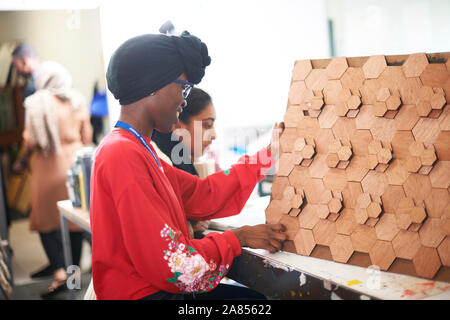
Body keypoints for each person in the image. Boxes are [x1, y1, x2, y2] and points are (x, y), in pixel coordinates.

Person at [90, 31, 287, 300]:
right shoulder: (122, 154)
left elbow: (202, 194)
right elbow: (177, 267)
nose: (184, 100)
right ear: (153, 85)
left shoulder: (137, 148)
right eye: (182, 87)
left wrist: (269, 154)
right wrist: (238, 238)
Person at [12, 61, 93, 297]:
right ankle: (74, 279)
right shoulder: (77, 99)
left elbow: (31, 141)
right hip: (76, 168)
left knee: (44, 223)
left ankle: (59, 272)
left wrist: (23, 160)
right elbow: (86, 136)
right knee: (75, 223)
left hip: (48, 167)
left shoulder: (37, 102)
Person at [151, 87, 217, 238]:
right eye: (207, 125)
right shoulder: (163, 161)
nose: (214, 135)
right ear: (178, 125)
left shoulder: (176, 156)